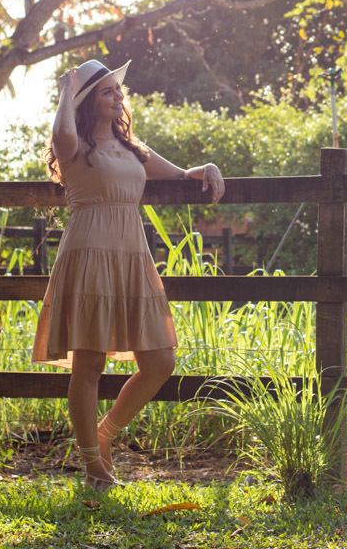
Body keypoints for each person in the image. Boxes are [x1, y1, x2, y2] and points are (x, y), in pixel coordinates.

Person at [32, 58, 225, 489]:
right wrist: (67, 87)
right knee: (88, 364)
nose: (118, 96)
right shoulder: (76, 146)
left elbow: (182, 173)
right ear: (86, 101)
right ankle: (93, 469)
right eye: (107, 91)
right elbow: (60, 134)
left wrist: (205, 168)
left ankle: (103, 435)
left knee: (160, 361)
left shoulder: (133, 148)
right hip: (89, 255)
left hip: (131, 256)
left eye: (119, 91)